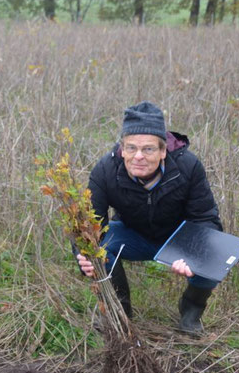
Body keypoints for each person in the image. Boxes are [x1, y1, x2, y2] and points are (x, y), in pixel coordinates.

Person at [77, 101, 222, 335]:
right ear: (122, 148)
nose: (138, 157)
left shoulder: (188, 166)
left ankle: (191, 312)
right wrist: (82, 257)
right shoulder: (105, 171)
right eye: (131, 148)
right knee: (98, 247)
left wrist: (193, 256)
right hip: (133, 235)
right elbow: (87, 226)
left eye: (148, 149)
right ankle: (119, 315)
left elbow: (206, 219)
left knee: (214, 254)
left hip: (179, 240)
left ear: (163, 150)